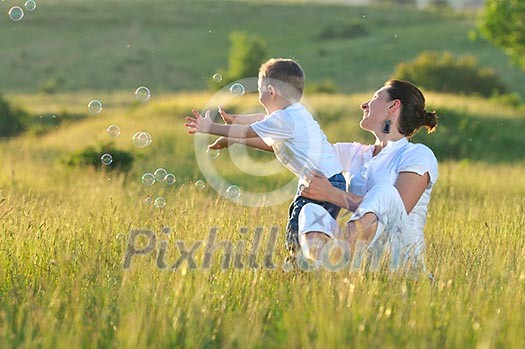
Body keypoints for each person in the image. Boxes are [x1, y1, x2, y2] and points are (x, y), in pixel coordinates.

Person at [184, 58, 346, 256]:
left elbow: (248, 131)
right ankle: (315, 264)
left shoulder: (285, 119)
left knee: (299, 228)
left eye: (260, 93)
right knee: (310, 227)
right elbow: (263, 125)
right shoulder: (295, 113)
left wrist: (209, 128)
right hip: (330, 180)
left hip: (322, 183)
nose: (260, 99)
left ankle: (299, 267)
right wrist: (235, 127)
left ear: (271, 91)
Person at [297, 79, 438, 272]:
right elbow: (303, 147)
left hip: (400, 262)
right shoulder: (355, 153)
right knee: (311, 211)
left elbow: (396, 209)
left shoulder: (418, 154)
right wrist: (242, 131)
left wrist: (331, 194)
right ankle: (324, 270)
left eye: (374, 98)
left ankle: (336, 260)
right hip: (361, 263)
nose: (364, 105)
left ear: (393, 106)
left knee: (384, 193)